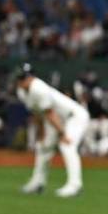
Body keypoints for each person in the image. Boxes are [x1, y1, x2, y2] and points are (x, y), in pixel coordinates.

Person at [16, 63, 89, 197]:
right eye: (21, 78)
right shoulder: (21, 92)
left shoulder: (39, 88)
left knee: (67, 145)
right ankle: (38, 183)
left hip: (74, 116)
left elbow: (50, 114)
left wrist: (62, 133)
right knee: (43, 146)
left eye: (26, 77)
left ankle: (75, 185)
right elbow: (37, 113)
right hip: (55, 119)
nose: (23, 81)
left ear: (31, 77)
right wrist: (41, 133)